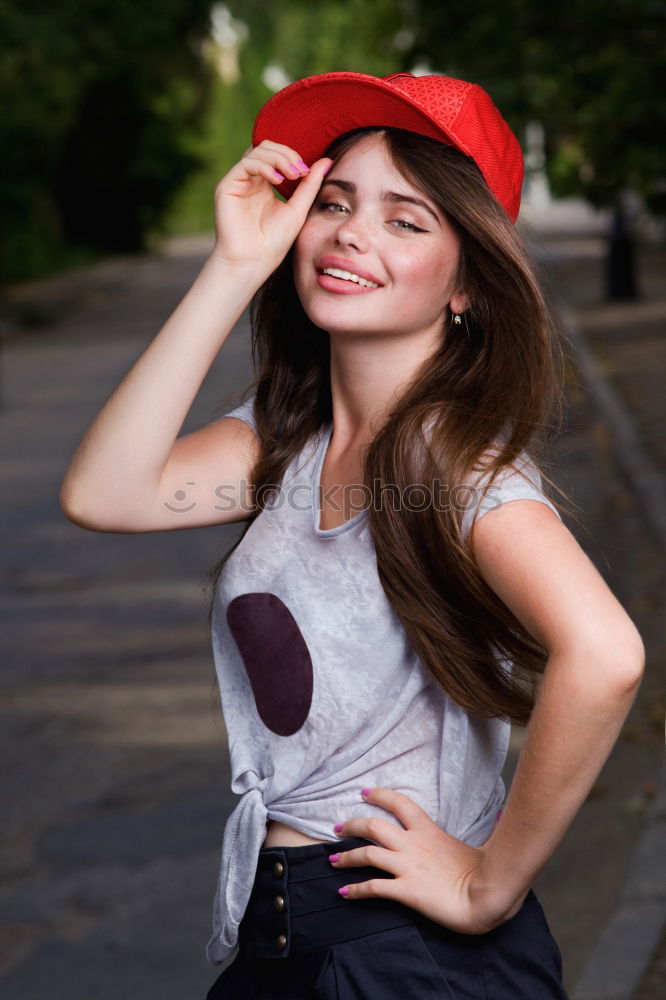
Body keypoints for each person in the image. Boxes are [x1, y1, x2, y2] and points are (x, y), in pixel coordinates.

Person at [59, 71, 645, 999]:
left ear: (468, 286)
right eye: (333, 202)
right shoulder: (286, 441)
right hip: (286, 937)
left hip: (396, 954)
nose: (350, 233)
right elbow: (106, 493)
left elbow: (606, 652)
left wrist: (490, 883)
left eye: (406, 221)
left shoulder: (455, 467)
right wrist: (234, 266)